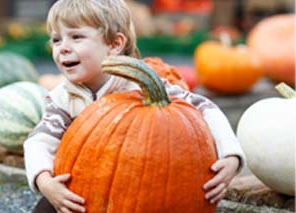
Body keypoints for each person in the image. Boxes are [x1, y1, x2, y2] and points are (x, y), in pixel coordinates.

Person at [24, 0, 245, 212]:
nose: (63, 48)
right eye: (56, 40)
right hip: (81, 192)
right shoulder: (64, 98)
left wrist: (231, 155)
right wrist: (45, 182)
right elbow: (39, 140)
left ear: (114, 44)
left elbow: (205, 107)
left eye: (76, 37)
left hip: (140, 188)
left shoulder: (142, 85)